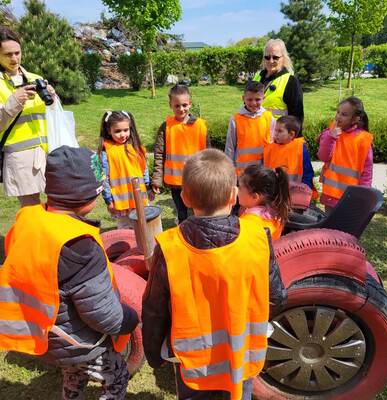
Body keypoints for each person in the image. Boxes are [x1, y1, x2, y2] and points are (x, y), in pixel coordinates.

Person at [142, 149, 287, 400]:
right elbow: (276, 297)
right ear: (233, 195)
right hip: (242, 357)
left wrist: (154, 354)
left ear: (185, 198)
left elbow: (155, 309)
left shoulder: (169, 247)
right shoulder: (258, 238)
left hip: (194, 363)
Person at [0, 146, 139, 400]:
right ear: (86, 196)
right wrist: (131, 318)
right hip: (81, 342)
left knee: (74, 373)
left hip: (46, 334)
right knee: (116, 377)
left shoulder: (28, 221)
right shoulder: (79, 246)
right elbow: (102, 314)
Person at [0, 27, 56, 207]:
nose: (14, 58)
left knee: (57, 203)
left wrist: (53, 98)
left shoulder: (35, 78)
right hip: (20, 157)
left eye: (17, 53)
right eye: (8, 54)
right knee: (31, 208)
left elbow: (50, 116)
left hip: (47, 152)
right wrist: (13, 102)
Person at [151, 84, 209, 224]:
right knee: (182, 212)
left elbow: (208, 153)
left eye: (184, 105)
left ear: (190, 103)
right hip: (175, 182)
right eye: (177, 106)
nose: (181, 109)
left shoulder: (200, 125)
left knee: (199, 210)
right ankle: (183, 231)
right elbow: (159, 153)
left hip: (195, 179)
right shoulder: (166, 127)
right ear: (170, 104)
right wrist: (157, 179)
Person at [318, 96, 373, 213]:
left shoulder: (363, 138)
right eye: (338, 112)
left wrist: (363, 193)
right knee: (330, 227)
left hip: (351, 196)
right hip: (330, 193)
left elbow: (367, 170)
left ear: (355, 119)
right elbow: (323, 156)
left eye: (344, 114)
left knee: (344, 228)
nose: (338, 116)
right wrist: (330, 138)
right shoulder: (330, 132)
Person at [98, 110, 150, 229]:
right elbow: (103, 178)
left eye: (125, 130)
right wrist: (108, 200)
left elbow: (143, 169)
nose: (122, 134)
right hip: (120, 202)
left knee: (143, 226)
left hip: (140, 198)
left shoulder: (137, 147)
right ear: (108, 130)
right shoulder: (105, 153)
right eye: (117, 131)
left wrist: (148, 186)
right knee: (125, 228)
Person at [225, 80, 274, 178]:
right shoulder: (236, 119)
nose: (253, 103)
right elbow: (230, 147)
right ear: (243, 98)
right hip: (242, 173)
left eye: (257, 99)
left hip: (263, 172)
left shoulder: (269, 117)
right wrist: (229, 170)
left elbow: (273, 144)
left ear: (263, 99)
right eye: (249, 99)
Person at [253, 38, 304, 127]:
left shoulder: (291, 81)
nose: (271, 61)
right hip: (256, 134)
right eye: (267, 57)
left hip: (277, 138)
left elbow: (297, 117)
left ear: (283, 58)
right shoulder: (257, 77)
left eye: (275, 57)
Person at [238, 164, 290, 241]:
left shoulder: (248, 223)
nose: (237, 190)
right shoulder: (276, 216)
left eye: (240, 188)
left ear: (255, 197)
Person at [264, 115, 315, 191]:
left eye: (280, 131)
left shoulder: (300, 149)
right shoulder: (269, 149)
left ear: (291, 134)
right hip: (273, 193)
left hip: (295, 194)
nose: (276, 134)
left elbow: (307, 172)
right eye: (275, 130)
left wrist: (306, 188)